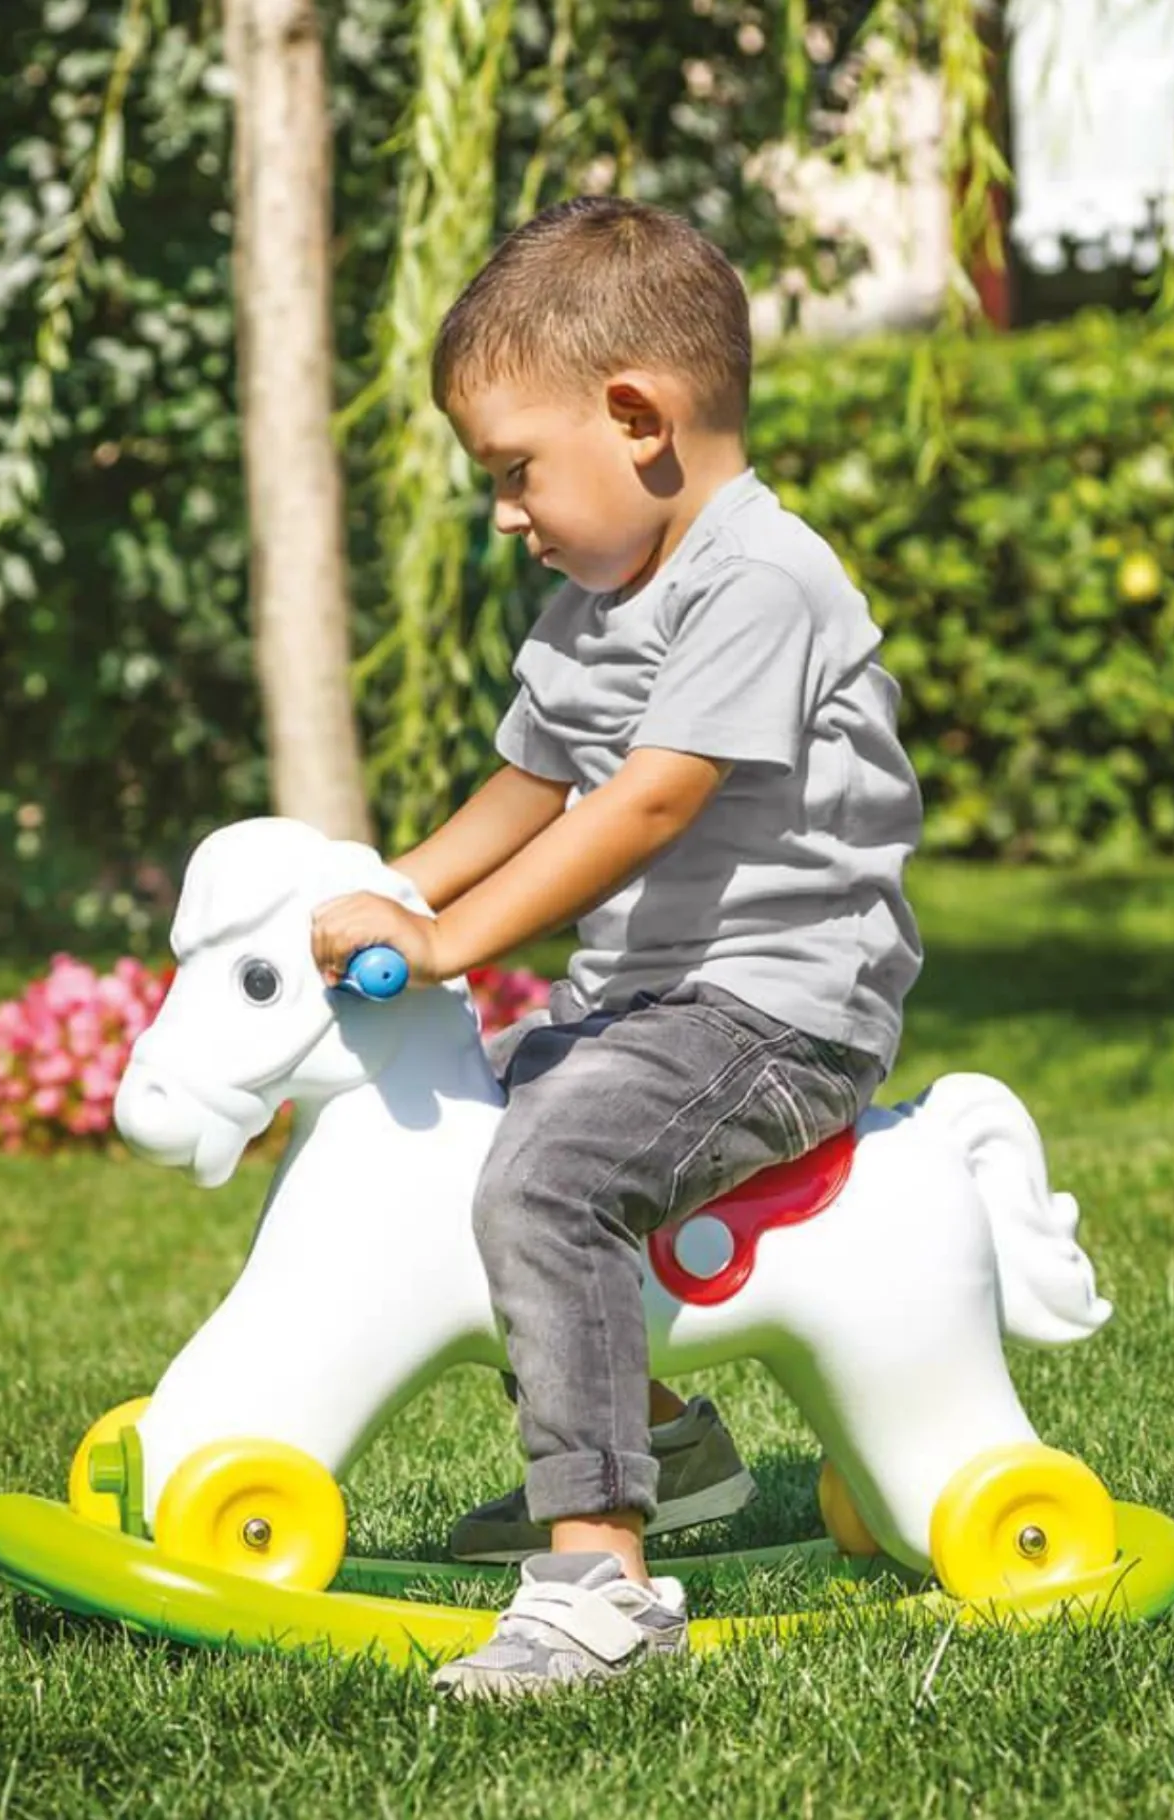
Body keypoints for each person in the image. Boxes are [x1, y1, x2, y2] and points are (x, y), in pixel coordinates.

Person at [309, 196, 922, 1699]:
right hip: (648, 1005)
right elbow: (533, 782)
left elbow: (648, 802)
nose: (503, 513)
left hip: (776, 1013)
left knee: (553, 1176)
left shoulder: (761, 577)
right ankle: (673, 1446)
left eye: (514, 469)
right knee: (454, 1133)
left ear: (637, 418)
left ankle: (599, 1585)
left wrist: (443, 941)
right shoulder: (596, 600)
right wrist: (377, 886)